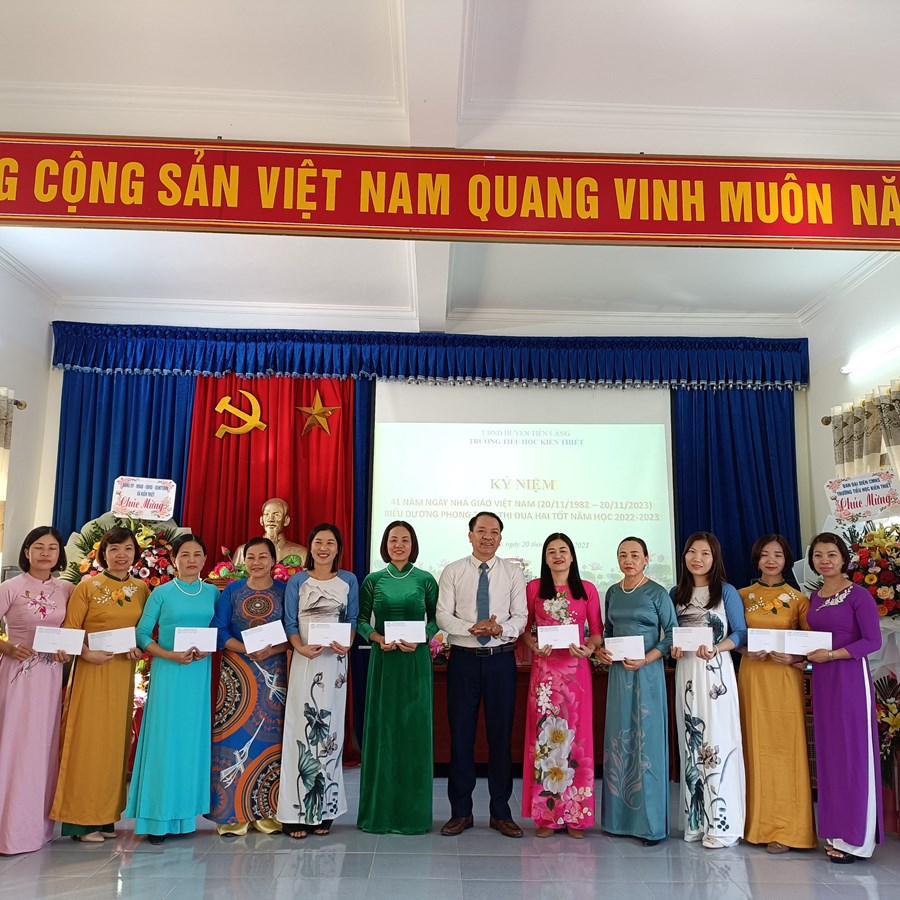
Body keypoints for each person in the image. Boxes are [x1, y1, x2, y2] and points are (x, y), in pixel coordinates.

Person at [50, 527, 148, 842]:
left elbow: (142, 633)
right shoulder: (88, 586)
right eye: (114, 549)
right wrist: (87, 653)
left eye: (128, 549)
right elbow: (69, 630)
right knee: (87, 741)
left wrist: (138, 650)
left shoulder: (141, 588)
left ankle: (105, 817)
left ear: (136, 553)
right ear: (103, 553)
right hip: (91, 673)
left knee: (114, 743)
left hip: (122, 673)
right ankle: (80, 821)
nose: (121, 555)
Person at [435, 511, 528, 838]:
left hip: (500, 662)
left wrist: (500, 629)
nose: (488, 537)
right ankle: (460, 812)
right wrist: (471, 628)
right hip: (463, 661)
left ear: (500, 538)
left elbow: (521, 616)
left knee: (501, 737)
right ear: (470, 535)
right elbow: (442, 615)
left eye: (494, 532)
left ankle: (501, 813)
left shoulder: (513, 572)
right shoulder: (453, 571)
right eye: (481, 531)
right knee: (461, 737)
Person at [125, 534, 219, 844]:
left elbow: (218, 631)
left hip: (198, 673)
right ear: (174, 559)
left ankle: (182, 817)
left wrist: (208, 648)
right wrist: (168, 655)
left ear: (205, 559)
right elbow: (142, 634)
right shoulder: (162, 593)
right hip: (168, 672)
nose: (191, 559)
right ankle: (156, 818)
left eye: (197, 554)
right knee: (164, 742)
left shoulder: (212, 592)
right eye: (185, 554)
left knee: (189, 743)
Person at [805, 532, 883, 864]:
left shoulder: (859, 595)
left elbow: (873, 641)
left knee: (853, 753)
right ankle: (837, 833)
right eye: (818, 555)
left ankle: (857, 840)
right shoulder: (814, 597)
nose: (825, 560)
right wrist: (802, 658)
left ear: (843, 558)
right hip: (823, 680)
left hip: (850, 678)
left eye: (831, 554)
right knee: (831, 754)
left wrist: (833, 655)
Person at [357, 521, 439, 834]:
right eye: (393, 539)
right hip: (385, 661)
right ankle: (380, 813)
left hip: (415, 661)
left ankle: (413, 815)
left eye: (405, 540)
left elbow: (436, 620)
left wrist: (422, 638)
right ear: (385, 544)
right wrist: (377, 638)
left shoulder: (425, 579)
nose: (399, 545)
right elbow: (361, 621)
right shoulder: (373, 580)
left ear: (413, 545)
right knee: (384, 732)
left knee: (414, 733)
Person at [519, 533, 602, 838]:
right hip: (544, 674)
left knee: (577, 740)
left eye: (563, 550)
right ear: (545, 558)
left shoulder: (587, 589)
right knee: (545, 739)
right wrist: (534, 645)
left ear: (572, 556)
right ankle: (548, 816)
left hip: (576, 673)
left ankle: (576, 816)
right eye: (551, 551)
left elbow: (596, 633)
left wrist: (589, 648)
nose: (557, 556)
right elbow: (525, 629)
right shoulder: (533, 588)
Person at [278, 523, 358, 838]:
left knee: (331, 732)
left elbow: (351, 619)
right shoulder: (297, 581)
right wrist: (298, 647)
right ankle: (294, 813)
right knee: (300, 729)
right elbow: (289, 620)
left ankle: (325, 810)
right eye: (318, 542)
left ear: (338, 549)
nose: (323, 548)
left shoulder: (348, 580)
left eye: (330, 543)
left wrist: (347, 643)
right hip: (305, 660)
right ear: (310, 547)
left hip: (335, 662)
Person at [737, 534, 816, 854]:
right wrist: (744, 650)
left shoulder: (799, 600)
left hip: (785, 680)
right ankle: (752, 825)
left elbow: (812, 644)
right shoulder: (740, 596)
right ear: (756, 559)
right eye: (765, 554)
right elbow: (732, 635)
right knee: (752, 746)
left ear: (786, 560)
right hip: (752, 676)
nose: (771, 560)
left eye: (778, 555)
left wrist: (796, 658)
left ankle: (788, 829)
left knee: (786, 749)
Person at [598, 536, 677, 846]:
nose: (628, 560)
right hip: (619, 674)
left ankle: (650, 825)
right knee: (619, 741)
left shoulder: (657, 593)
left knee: (647, 743)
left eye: (634, 555)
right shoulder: (612, 592)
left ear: (646, 558)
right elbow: (608, 631)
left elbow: (671, 635)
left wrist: (647, 658)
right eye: (622, 555)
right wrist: (603, 653)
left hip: (648, 673)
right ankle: (617, 821)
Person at [207, 536, 288, 836]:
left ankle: (268, 812)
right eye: (251, 557)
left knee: (270, 740)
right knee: (233, 739)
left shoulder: (284, 591)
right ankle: (231, 814)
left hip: (273, 674)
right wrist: (243, 649)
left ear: (273, 561)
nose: (256, 562)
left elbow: (293, 630)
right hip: (237, 674)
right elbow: (219, 628)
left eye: (263, 557)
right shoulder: (232, 590)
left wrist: (273, 650)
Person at [670, 531, 747, 849]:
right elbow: (671, 632)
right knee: (692, 743)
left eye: (705, 553)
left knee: (717, 740)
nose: (697, 558)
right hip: (687, 671)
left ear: (715, 559)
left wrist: (717, 648)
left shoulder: (726, 591)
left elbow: (740, 632)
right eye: (692, 551)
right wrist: (673, 647)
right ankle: (696, 822)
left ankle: (722, 824)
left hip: (716, 672)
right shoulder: (676, 592)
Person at [0, 527, 73, 855]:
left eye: (52, 548)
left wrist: (67, 651)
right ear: (26, 551)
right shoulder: (10, 587)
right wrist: (8, 647)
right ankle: (7, 831)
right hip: (17, 675)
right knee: (13, 746)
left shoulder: (67, 589)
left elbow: (73, 631)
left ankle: (35, 829)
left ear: (59, 554)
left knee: (42, 747)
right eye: (39, 547)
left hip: (50, 676)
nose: (45, 553)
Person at [232, 498, 307, 565]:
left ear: (286, 520)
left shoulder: (302, 554)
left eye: (276, 514)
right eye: (266, 514)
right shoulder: (242, 551)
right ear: (261, 520)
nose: (270, 519)